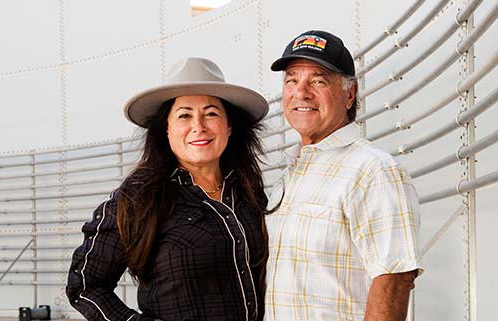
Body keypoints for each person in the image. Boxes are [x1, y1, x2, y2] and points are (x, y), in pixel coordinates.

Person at [66, 57, 270, 321]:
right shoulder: (139, 197)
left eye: (211, 113)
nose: (199, 126)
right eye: (184, 115)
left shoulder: (248, 190)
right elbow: (84, 285)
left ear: (228, 126)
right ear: (167, 128)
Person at [264, 30, 423, 321]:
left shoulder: (374, 170)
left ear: (349, 93)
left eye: (318, 80)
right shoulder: (287, 178)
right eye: (292, 80)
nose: (301, 92)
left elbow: (394, 280)